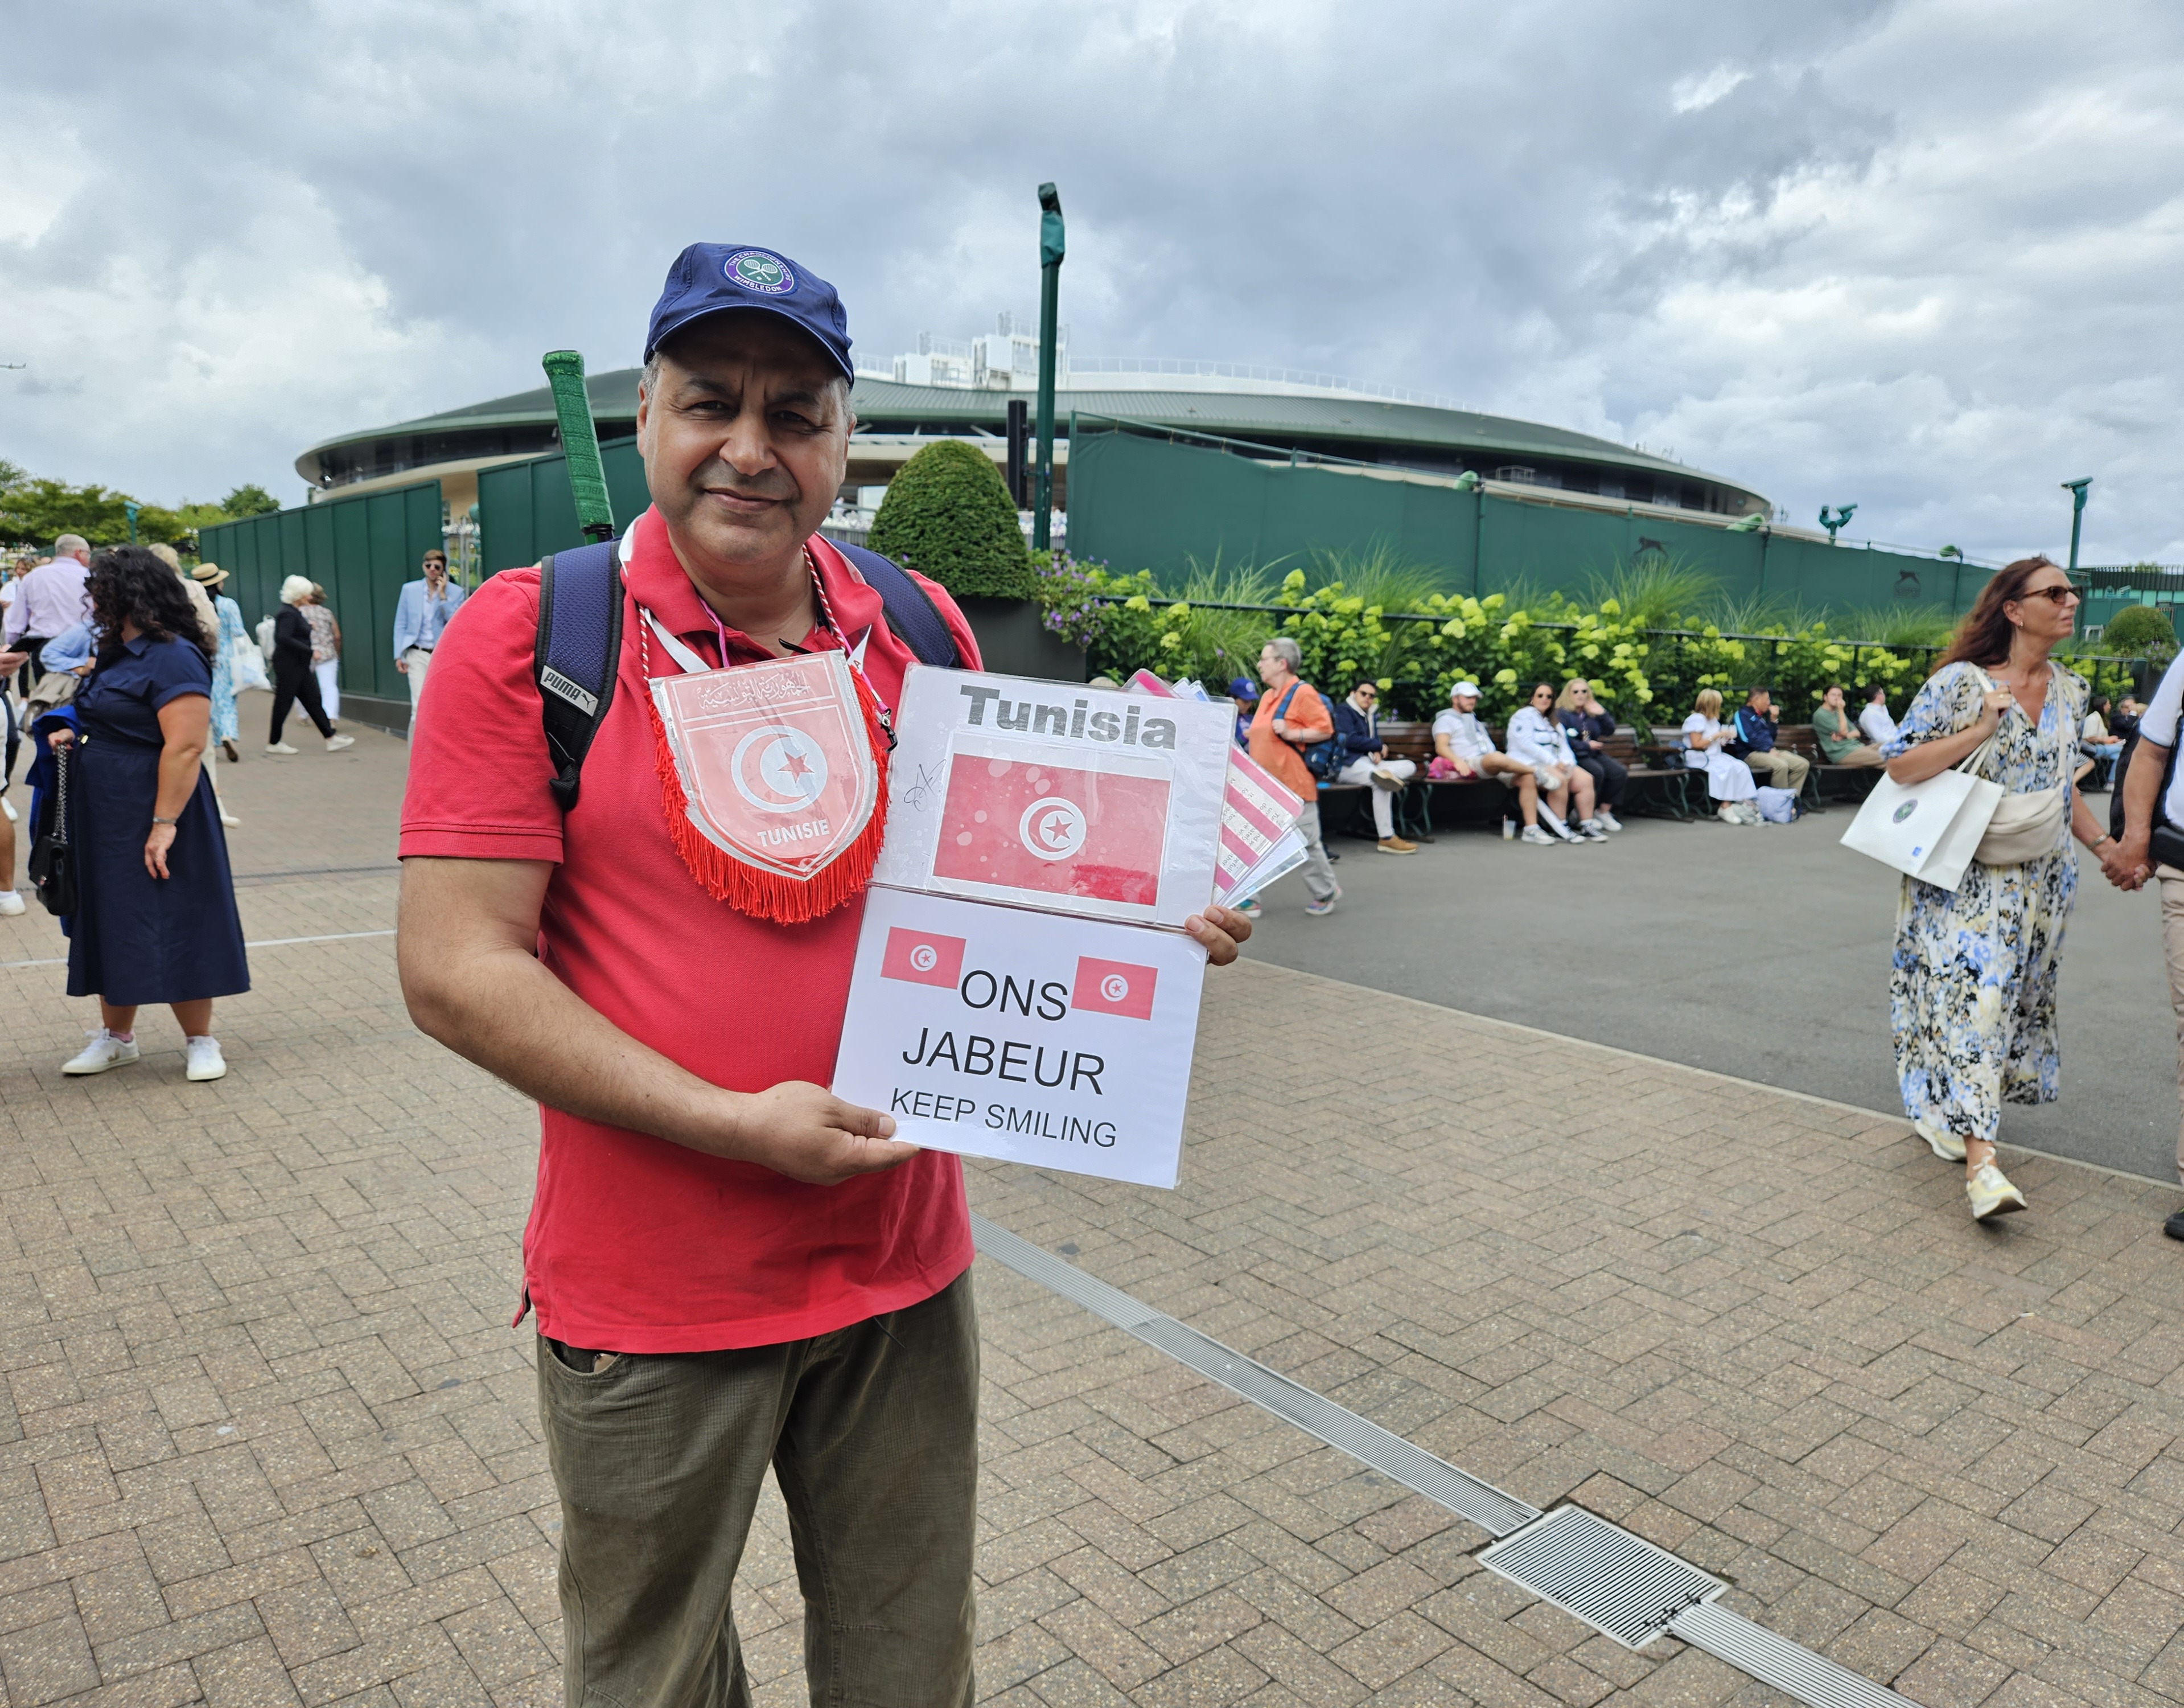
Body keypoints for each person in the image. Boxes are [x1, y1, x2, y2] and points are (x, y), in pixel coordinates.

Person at [394, 242, 1250, 1705]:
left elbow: (998, 901)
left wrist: (1140, 924)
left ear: (845, 443)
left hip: (900, 1265)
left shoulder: (916, 624)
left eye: (795, 412)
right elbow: (454, 966)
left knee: (912, 1662)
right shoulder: (538, 636)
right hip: (655, 1288)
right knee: (651, 1674)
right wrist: (734, 1122)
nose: (749, 445)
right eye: (709, 400)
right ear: (647, 417)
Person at [1882, 557, 2134, 1220]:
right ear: (2013, 610)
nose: (2071, 601)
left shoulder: (2074, 691)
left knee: (2009, 1001)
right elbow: (1902, 766)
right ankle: (1983, 1167)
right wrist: (1980, 729)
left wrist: (2108, 850)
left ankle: (1947, 1109)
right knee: (1978, 1001)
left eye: (2072, 591)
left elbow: (2060, 787)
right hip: (1963, 876)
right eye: (2054, 592)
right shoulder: (1960, 685)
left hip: (2042, 879)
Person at [40, 548, 249, 1083]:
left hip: (159, 805)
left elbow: (184, 746)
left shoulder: (173, 655)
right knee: (111, 916)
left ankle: (201, 1040)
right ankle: (118, 1038)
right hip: (105, 809)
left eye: (100, 590)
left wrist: (164, 824)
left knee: (179, 913)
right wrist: (76, 735)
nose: (93, 599)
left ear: (129, 593)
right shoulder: (115, 650)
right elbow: (103, 720)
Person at [1249, 637, 1341, 913]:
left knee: (1307, 844)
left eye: (1264, 659)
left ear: (1282, 664)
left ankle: (1326, 892)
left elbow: (1325, 730)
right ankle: (1248, 898)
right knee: (1252, 842)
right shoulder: (1267, 696)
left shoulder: (1303, 693)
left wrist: (1293, 733)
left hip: (1294, 785)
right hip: (1264, 785)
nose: (1259, 664)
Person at [1430, 680, 1553, 843]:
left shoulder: (1473, 720)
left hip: (1490, 763)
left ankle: (1531, 830)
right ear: (1455, 699)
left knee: (1525, 778)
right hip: (1470, 763)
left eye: (1474, 698)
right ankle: (1534, 770)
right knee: (1497, 758)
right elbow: (1441, 747)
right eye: (1467, 697)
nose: (1472, 701)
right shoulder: (1446, 719)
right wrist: (1458, 761)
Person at [268, 575, 354, 755]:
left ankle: (330, 738)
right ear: (299, 595)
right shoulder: (288, 613)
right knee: (284, 702)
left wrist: (308, 626)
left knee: (313, 700)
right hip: (290, 665)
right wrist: (310, 650)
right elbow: (283, 637)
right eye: (307, 594)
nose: (310, 596)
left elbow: (290, 633)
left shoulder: (293, 612)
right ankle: (274, 742)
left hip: (297, 664)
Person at [1508, 681, 1604, 841]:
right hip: (1530, 764)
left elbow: (1564, 746)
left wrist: (1568, 765)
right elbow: (1526, 744)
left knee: (1586, 780)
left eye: (1549, 697)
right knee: (1560, 780)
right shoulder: (1523, 716)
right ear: (1532, 698)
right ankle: (1561, 826)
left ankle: (1586, 825)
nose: (1544, 699)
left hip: (1554, 764)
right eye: (1540, 695)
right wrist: (1554, 763)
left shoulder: (1552, 721)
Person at [1330, 679, 1418, 853]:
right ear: (1353, 694)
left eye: (1372, 696)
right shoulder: (1344, 711)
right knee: (1382, 783)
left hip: (1369, 764)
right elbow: (1349, 739)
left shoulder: (1369, 715)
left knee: (1410, 766)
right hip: (1346, 765)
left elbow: (1373, 740)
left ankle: (1383, 774)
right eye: (1364, 694)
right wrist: (1377, 747)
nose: (1368, 698)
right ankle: (1387, 838)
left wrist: (1377, 749)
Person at [3, 535, 92, 685]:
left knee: (45, 699)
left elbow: (15, 622)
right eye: (88, 554)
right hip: (82, 647)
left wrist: (13, 648)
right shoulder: (89, 577)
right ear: (79, 553)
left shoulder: (33, 577)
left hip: (42, 646)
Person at [392, 547, 464, 717]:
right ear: (423, 567)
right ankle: (415, 745)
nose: (432, 569)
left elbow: (455, 624)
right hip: (416, 653)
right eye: (428, 565)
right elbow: (400, 623)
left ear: (443, 569)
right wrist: (399, 655)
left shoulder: (456, 592)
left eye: (437, 567)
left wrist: (443, 596)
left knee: (441, 704)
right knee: (418, 707)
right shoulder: (409, 590)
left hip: (442, 655)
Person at [1554, 678, 1626, 831]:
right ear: (1568, 694)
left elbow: (1609, 730)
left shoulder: (1590, 712)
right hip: (1574, 755)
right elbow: (1563, 739)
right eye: (1576, 692)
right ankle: (1583, 813)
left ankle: (1603, 812)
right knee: (1596, 772)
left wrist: (1602, 714)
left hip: (1593, 753)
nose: (1581, 695)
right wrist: (1586, 745)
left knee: (1618, 772)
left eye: (1584, 691)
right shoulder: (1562, 713)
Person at [1681, 688, 1762, 823]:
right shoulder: (1696, 719)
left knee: (1741, 767)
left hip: (1715, 755)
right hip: (1699, 757)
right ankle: (1726, 807)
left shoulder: (1713, 721)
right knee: (1728, 769)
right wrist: (1717, 735)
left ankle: (1745, 804)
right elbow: (1696, 744)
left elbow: (1713, 742)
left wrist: (1724, 739)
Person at [1729, 687, 1810, 796]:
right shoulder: (1741, 715)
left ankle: (1790, 801)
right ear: (1757, 700)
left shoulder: (1759, 718)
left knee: (1802, 765)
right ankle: (1780, 805)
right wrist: (1767, 749)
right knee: (1781, 766)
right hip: (1750, 755)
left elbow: (1770, 739)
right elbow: (1746, 738)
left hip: (1768, 752)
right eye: (1767, 699)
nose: (1769, 703)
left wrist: (1773, 720)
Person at [1813, 683, 1885, 767]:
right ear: (1825, 697)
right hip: (1842, 754)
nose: (1837, 698)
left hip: (1856, 747)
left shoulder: (1837, 713)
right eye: (1833, 695)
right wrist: (1841, 710)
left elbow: (1856, 733)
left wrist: (1845, 736)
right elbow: (1843, 731)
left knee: (1893, 749)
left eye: (1840, 695)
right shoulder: (1821, 715)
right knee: (1887, 758)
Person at [306, 584, 342, 721]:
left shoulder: (298, 612)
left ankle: (303, 714)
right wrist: (337, 653)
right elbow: (337, 636)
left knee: (303, 685)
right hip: (327, 653)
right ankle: (331, 716)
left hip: (305, 653)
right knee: (329, 686)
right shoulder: (327, 613)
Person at [2080, 695, 2124, 789]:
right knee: (2122, 748)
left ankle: (2111, 782)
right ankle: (2111, 783)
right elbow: (2089, 738)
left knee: (2118, 756)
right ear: (2103, 705)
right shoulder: (2093, 719)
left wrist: (2113, 740)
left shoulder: (2101, 719)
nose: (2110, 706)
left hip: (2101, 747)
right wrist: (2106, 740)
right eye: (2108, 704)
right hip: (2092, 748)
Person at [1857, 683, 1899, 748]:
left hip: (1897, 740)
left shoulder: (1882, 709)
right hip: (1887, 747)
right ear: (1878, 695)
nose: (1884, 695)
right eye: (1883, 693)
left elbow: (1890, 729)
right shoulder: (1869, 714)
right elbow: (1879, 739)